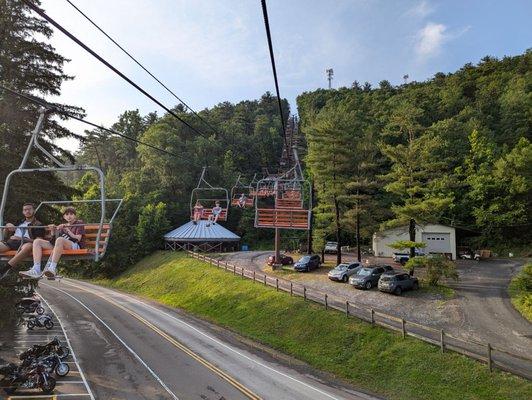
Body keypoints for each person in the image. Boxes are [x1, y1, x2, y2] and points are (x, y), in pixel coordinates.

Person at [20, 207, 85, 279]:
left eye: (71, 214)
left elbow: (78, 238)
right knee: (37, 241)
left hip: (75, 246)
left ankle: (52, 268)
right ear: (64, 216)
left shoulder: (79, 223)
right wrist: (53, 231)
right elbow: (54, 241)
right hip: (61, 245)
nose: (69, 216)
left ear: (75, 215)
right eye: (67, 214)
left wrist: (67, 230)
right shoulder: (62, 226)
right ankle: (36, 269)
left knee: (60, 239)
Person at [0, 203, 45, 280]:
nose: (27, 211)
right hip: (11, 242)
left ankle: (4, 269)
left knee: (28, 247)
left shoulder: (38, 224)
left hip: (25, 243)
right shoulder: (19, 222)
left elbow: (38, 241)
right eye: (25, 210)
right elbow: (9, 228)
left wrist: (21, 239)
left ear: (33, 210)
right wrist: (8, 225)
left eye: (29, 209)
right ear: (23, 212)